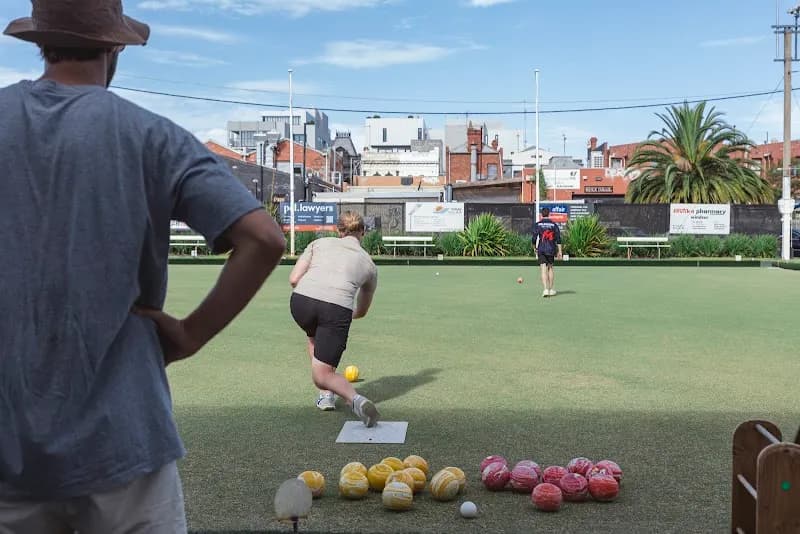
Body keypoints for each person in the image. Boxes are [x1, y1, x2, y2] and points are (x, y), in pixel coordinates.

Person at [0, 1, 286, 532]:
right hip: (125, 442)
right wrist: (190, 335)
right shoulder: (150, 135)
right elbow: (263, 239)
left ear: (41, 42)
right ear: (114, 46)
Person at [288, 212, 380, 427]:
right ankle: (356, 400)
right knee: (322, 374)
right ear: (363, 232)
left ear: (339, 231)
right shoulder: (369, 264)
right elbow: (362, 310)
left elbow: (293, 279)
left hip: (300, 303)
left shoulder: (318, 243)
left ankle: (325, 396)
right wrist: (340, 317)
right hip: (336, 309)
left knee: (313, 336)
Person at [533, 207, 563, 297]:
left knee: (543, 268)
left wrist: (534, 248)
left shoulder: (538, 225)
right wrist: (560, 252)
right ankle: (550, 289)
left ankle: (545, 289)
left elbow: (534, 238)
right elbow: (558, 239)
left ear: (541, 214)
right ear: (548, 214)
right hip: (551, 249)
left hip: (541, 249)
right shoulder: (554, 225)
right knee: (550, 268)